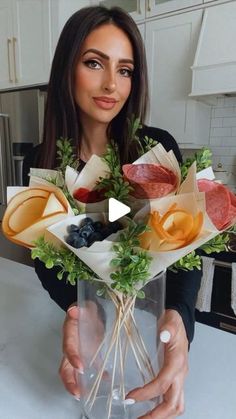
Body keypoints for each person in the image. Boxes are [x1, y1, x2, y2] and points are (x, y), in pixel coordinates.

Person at [23, 6, 202, 418]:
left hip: (148, 333)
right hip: (101, 341)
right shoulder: (46, 165)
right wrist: (81, 309)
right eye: (93, 63)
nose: (111, 84)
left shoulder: (154, 152)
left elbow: (184, 248)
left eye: (125, 70)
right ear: (67, 69)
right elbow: (47, 259)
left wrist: (180, 321)